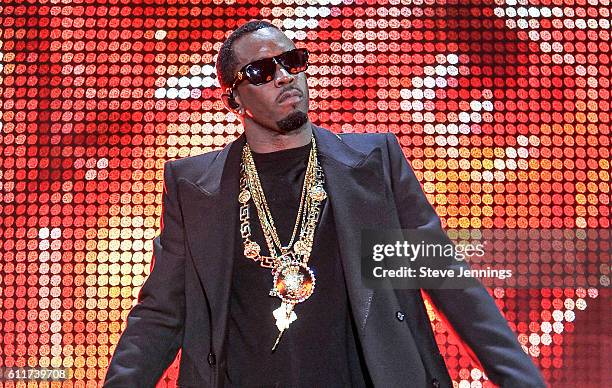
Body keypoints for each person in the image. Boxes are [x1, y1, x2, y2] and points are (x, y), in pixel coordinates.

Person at [104, 20, 545, 387]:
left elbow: (449, 280)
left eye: (292, 61)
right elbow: (160, 313)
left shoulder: (374, 163)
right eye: (260, 71)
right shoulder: (195, 185)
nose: (284, 76)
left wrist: (521, 381)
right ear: (234, 98)